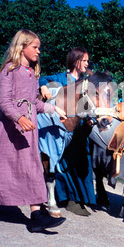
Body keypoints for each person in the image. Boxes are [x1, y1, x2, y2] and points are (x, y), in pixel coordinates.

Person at [0, 29, 67, 232]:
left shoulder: (33, 74)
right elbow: (4, 102)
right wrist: (19, 118)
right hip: (8, 129)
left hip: (28, 131)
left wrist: (53, 109)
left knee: (32, 168)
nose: (39, 51)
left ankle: (37, 214)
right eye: (35, 47)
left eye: (39, 48)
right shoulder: (9, 70)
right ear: (22, 47)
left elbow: (34, 103)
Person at [38, 47, 95, 216]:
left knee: (84, 162)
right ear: (75, 60)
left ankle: (84, 199)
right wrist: (43, 87)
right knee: (63, 163)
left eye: (87, 60)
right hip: (62, 128)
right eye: (84, 60)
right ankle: (69, 200)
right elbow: (42, 78)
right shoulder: (61, 78)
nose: (87, 63)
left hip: (81, 128)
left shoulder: (86, 81)